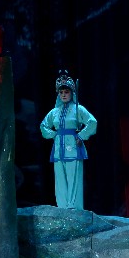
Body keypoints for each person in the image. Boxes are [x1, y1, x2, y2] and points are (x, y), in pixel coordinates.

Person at [39, 70, 98, 210]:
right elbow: (43, 126)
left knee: (73, 178)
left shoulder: (78, 109)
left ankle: (74, 208)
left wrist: (81, 135)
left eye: (66, 92)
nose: (64, 95)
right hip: (58, 147)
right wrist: (53, 134)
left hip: (73, 146)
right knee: (60, 178)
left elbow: (92, 122)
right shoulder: (54, 112)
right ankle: (62, 207)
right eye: (61, 92)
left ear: (72, 93)